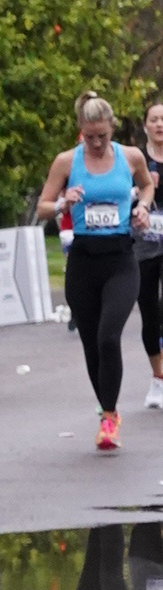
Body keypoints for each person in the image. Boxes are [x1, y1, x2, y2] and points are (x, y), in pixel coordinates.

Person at [32, 93, 156, 451]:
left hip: (121, 259)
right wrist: (62, 203)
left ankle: (110, 416)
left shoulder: (130, 156)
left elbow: (147, 185)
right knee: (91, 343)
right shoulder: (66, 161)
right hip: (83, 261)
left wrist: (143, 207)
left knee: (107, 336)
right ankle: (105, 408)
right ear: (80, 131)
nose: (97, 143)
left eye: (102, 135)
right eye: (90, 137)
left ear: (112, 128)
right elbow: (42, 207)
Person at [137, 97, 163, 410]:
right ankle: (158, 378)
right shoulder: (136, 160)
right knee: (149, 311)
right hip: (143, 244)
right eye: (154, 119)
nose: (159, 124)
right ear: (145, 126)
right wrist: (140, 189)